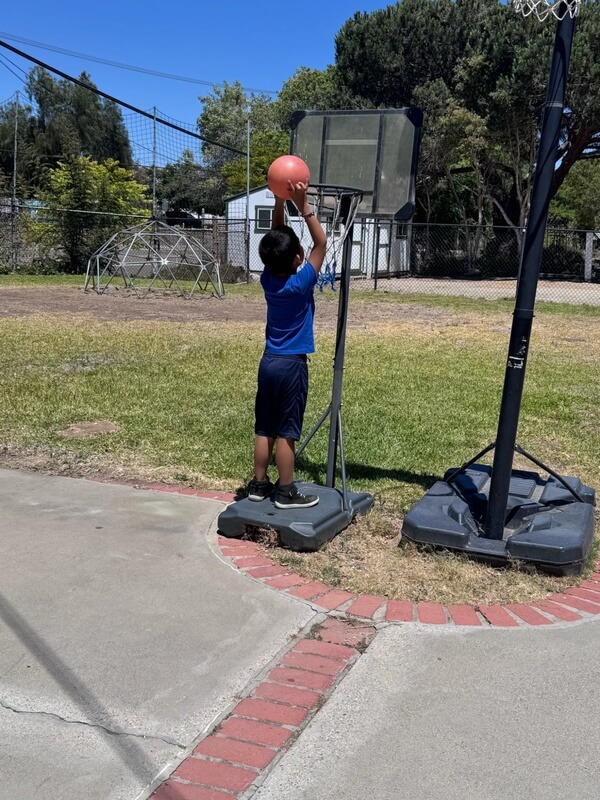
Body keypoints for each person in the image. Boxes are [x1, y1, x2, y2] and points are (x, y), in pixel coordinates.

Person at [246, 180, 326, 508]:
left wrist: (281, 201)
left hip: (269, 362)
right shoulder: (301, 283)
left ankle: (260, 485)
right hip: (293, 365)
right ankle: (285, 491)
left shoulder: (268, 278)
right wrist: (303, 204)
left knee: (265, 427)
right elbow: (321, 242)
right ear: (297, 258)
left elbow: (279, 238)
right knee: (287, 431)